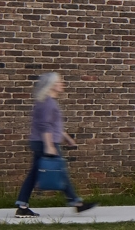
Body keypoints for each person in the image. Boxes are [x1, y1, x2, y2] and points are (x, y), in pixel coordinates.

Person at [14, 73, 96, 218]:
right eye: (59, 82)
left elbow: (52, 124)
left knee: (34, 175)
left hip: (41, 141)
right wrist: (49, 145)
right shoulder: (48, 102)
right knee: (60, 172)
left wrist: (67, 138)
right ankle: (76, 203)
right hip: (45, 142)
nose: (62, 84)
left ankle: (22, 205)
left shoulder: (46, 101)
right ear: (51, 85)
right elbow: (44, 125)